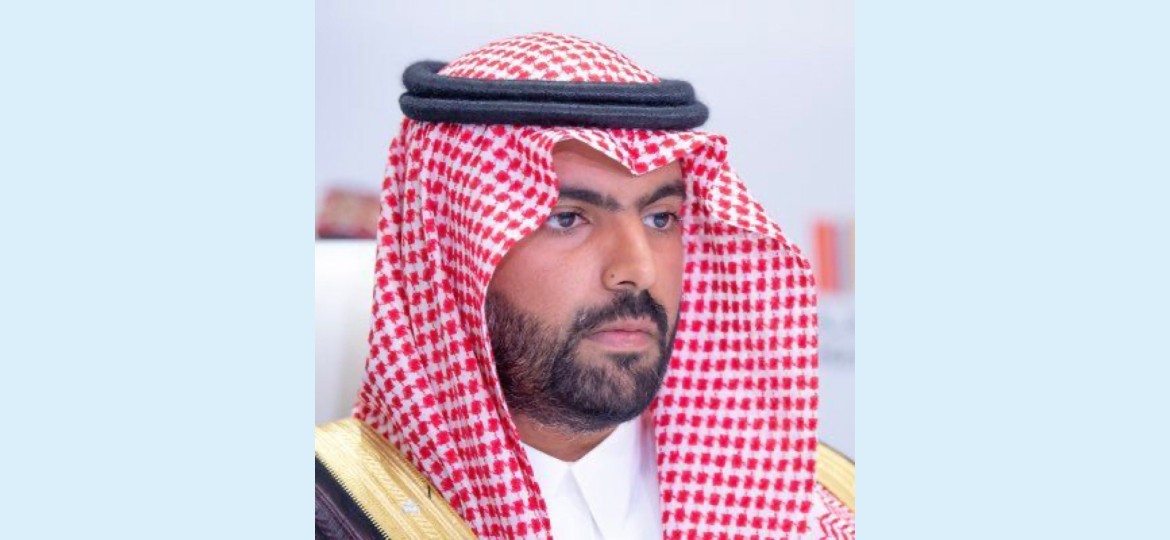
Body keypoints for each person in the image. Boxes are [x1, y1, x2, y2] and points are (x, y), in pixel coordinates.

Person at [315, 32, 855, 539]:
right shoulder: (328, 512)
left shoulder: (824, 511)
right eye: (567, 218)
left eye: (661, 218)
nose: (637, 269)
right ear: (453, 250)